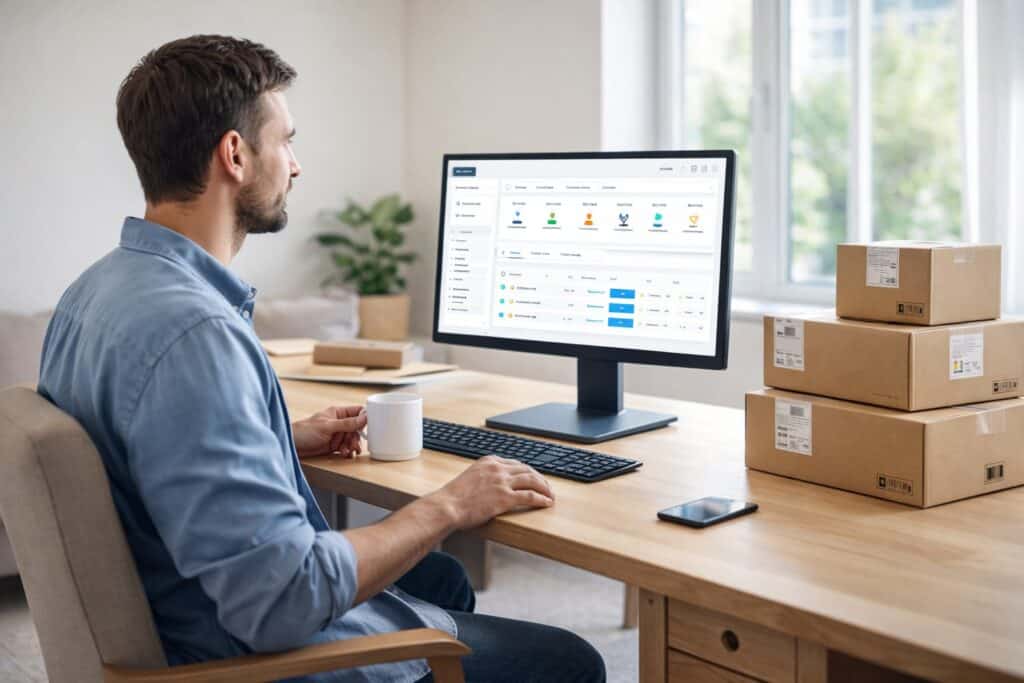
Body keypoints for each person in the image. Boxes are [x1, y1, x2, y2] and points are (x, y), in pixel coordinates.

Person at [37, 35, 605, 683]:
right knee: (571, 659)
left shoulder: (96, 291)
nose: (296, 164)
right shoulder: (194, 333)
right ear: (235, 154)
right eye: (286, 140)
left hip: (178, 602)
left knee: (439, 578)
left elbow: (140, 455)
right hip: (242, 656)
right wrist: (451, 504)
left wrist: (280, 439)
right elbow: (280, 601)